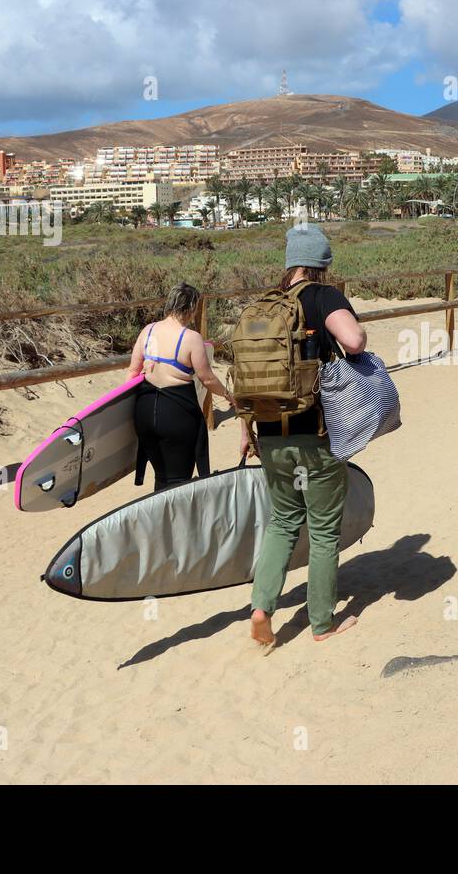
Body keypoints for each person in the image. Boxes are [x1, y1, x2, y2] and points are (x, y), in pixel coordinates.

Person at [249, 223, 368, 646]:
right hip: (315, 434)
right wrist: (359, 334)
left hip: (268, 433)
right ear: (323, 262)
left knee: (282, 523)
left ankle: (262, 606)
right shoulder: (324, 297)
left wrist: (247, 433)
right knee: (322, 531)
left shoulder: (265, 303)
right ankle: (322, 623)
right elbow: (352, 340)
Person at [127, 282, 234, 491]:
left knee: (161, 476)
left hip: (146, 411)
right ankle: (175, 522)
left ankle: (161, 519)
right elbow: (207, 378)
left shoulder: (147, 331)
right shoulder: (192, 338)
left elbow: (132, 373)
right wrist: (229, 396)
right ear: (191, 308)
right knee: (179, 482)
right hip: (176, 413)